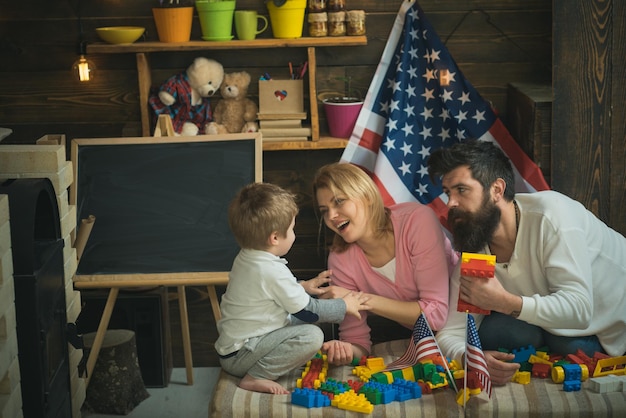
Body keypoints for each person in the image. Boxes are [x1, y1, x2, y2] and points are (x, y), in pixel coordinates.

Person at [427, 139, 626, 385]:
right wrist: (470, 358)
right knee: (502, 333)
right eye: (448, 193)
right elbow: (451, 332)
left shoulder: (551, 217)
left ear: (497, 190)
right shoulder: (477, 248)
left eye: (462, 190)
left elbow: (580, 310)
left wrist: (505, 301)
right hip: (555, 320)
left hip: (609, 325)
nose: (450, 204)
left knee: (569, 342)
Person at [215, 182, 369, 394]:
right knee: (312, 335)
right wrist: (344, 305)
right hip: (242, 356)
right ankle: (256, 376)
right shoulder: (271, 271)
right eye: (292, 229)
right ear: (275, 237)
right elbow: (309, 312)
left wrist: (303, 287)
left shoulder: (248, 257)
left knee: (297, 319)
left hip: (235, 348)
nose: (294, 235)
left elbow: (266, 293)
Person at [313, 162, 457, 366]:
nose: (331, 216)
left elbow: (436, 316)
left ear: (368, 197)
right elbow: (357, 340)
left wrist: (359, 299)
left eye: (339, 202)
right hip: (427, 337)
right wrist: (346, 350)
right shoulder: (340, 259)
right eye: (324, 210)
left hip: (471, 315)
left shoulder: (416, 221)